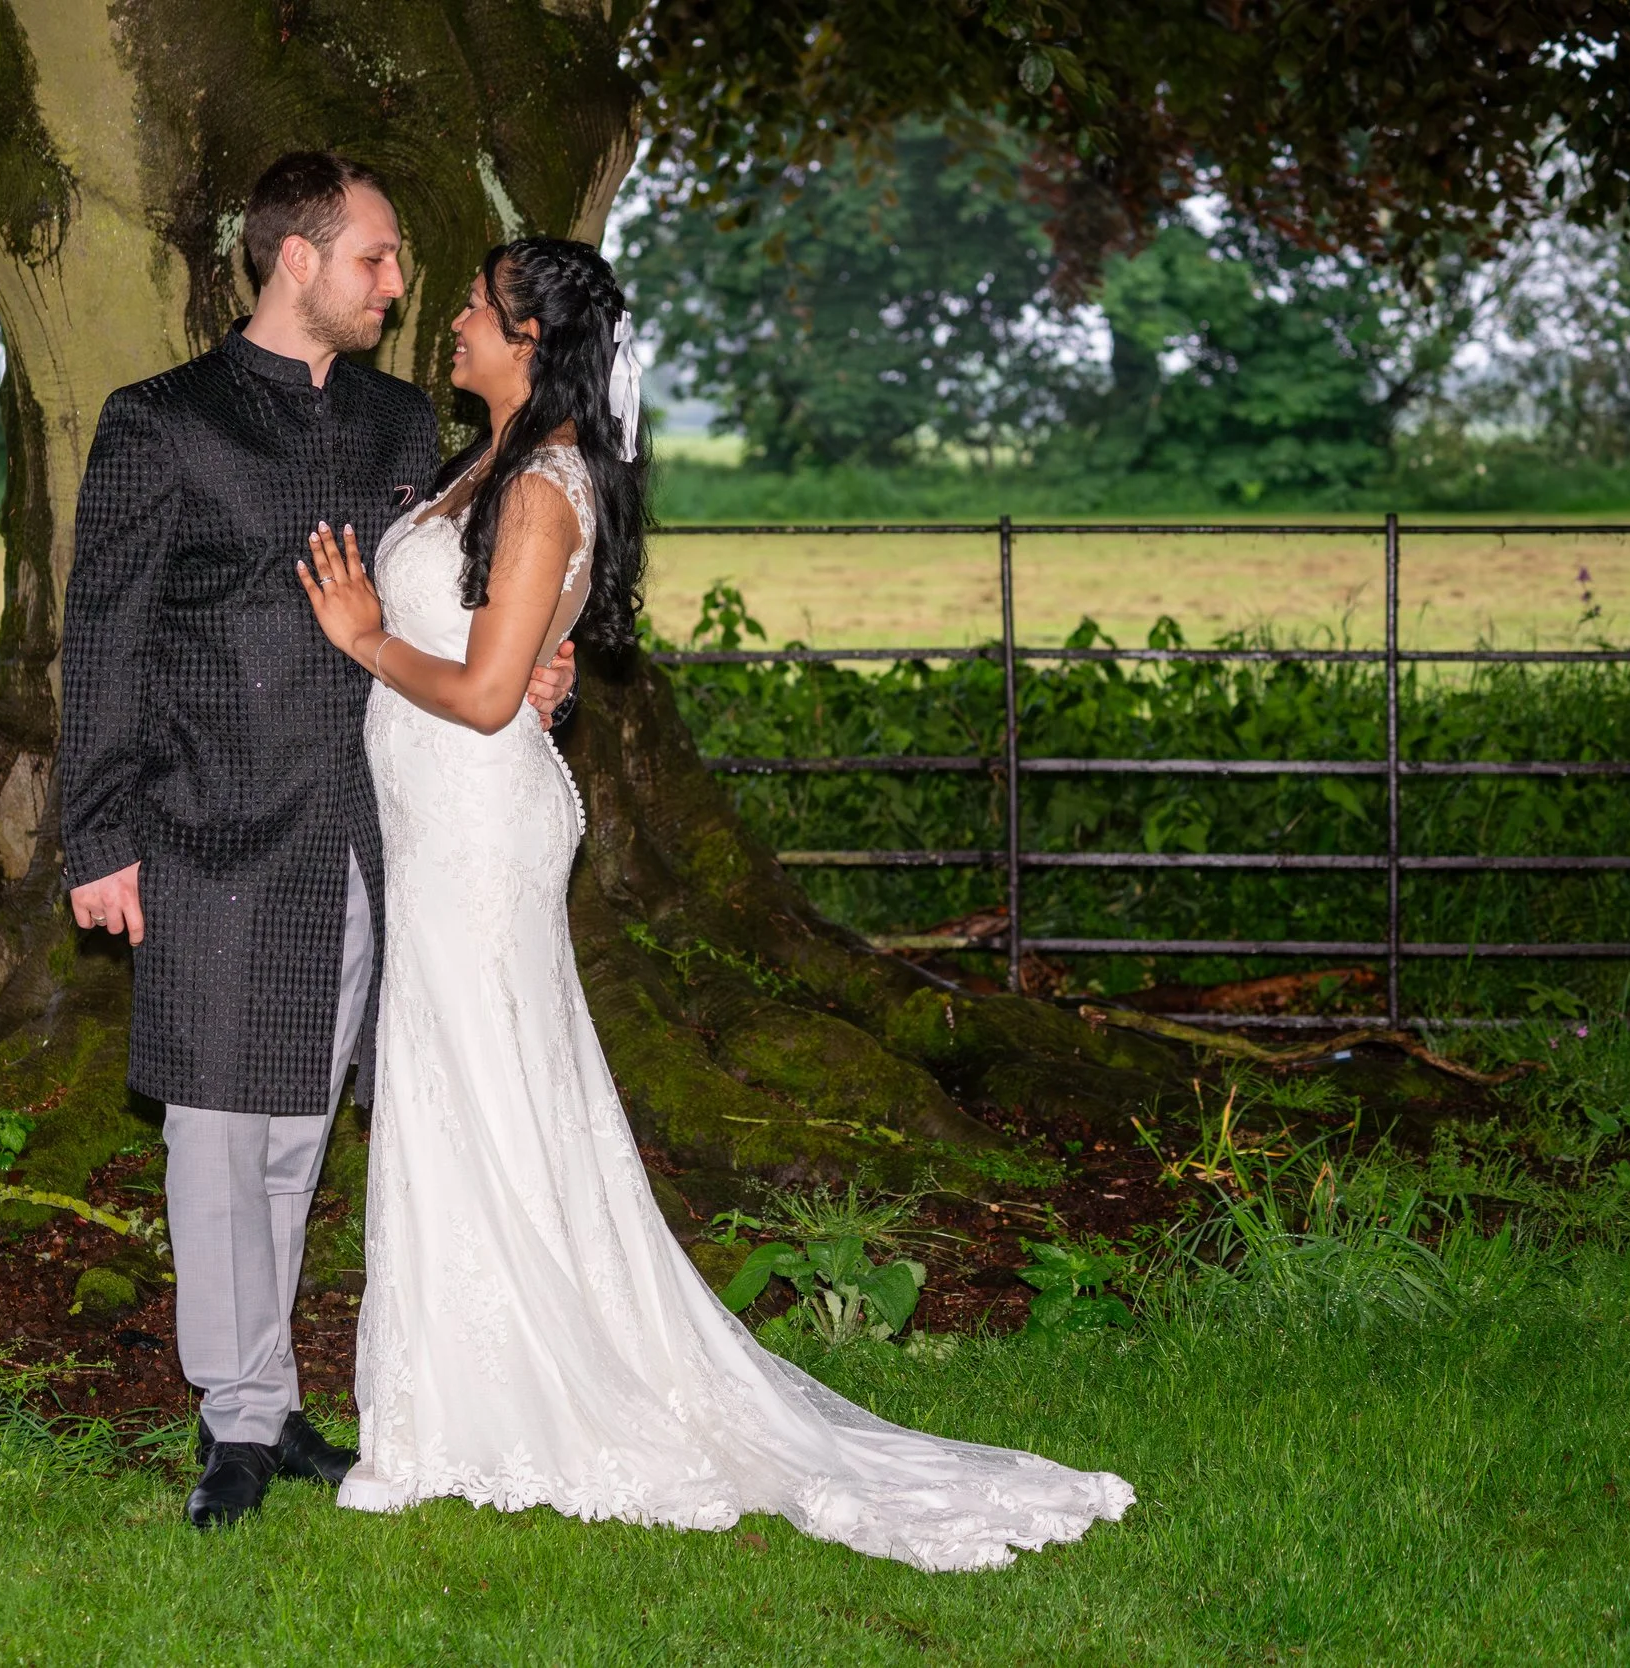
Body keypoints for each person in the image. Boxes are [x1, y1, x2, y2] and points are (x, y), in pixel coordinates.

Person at [292, 235, 1135, 1571]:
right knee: (462, 1079)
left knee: (482, 1078)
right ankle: (447, 1406)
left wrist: (361, 640)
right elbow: (506, 658)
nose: (447, 317)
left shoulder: (543, 488)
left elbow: (487, 692)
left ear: (527, 337)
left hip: (475, 823)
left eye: (470, 305)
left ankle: (483, 1413)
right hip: (442, 820)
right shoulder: (496, 466)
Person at [56, 153, 574, 1530]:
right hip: (206, 827)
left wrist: (525, 670)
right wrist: (97, 833)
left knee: (294, 1135)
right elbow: (102, 637)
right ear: (297, 258)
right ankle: (233, 1421)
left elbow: (461, 592)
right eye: (376, 260)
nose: (397, 284)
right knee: (216, 1136)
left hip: (369, 832)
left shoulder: (409, 426)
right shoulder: (159, 423)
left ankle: (268, 1401)